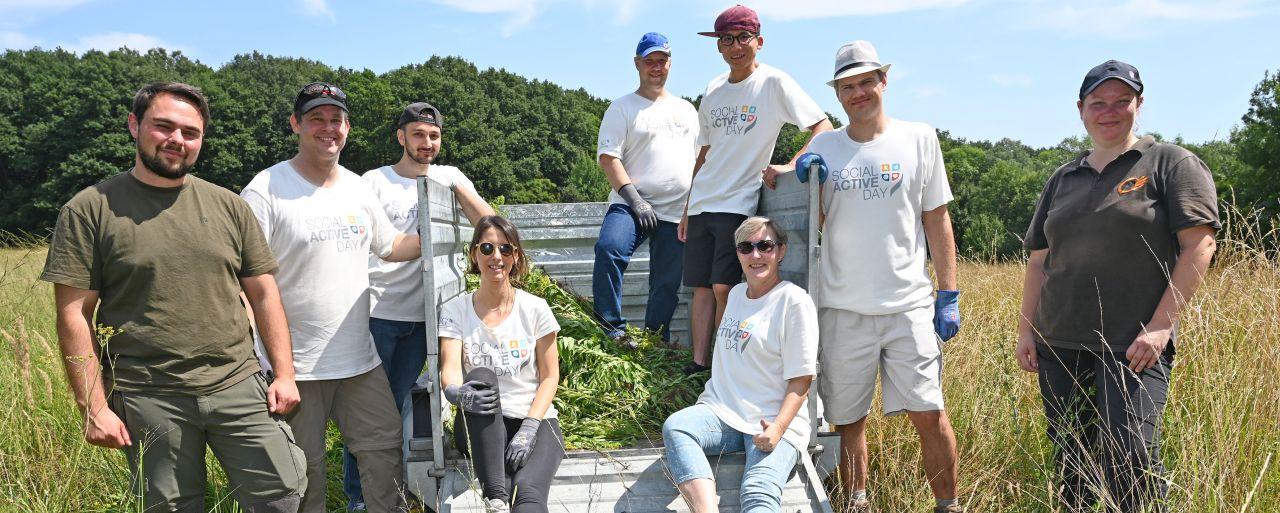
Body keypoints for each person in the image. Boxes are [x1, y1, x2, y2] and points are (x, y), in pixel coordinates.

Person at [41, 82, 306, 512]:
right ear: (134, 125)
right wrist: (93, 407)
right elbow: (74, 315)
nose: (176, 140)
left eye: (190, 132)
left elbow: (264, 294)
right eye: (163, 126)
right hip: (149, 395)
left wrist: (285, 373)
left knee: (281, 495)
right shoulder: (90, 209)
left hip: (238, 383)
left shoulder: (228, 206)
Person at [1016, 60, 1218, 512]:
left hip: (1133, 344)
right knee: (1073, 465)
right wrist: (1027, 329)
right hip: (1060, 342)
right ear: (1081, 110)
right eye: (1098, 103)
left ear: (1138, 105)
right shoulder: (1063, 177)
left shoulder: (1169, 163)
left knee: (1131, 460)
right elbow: (1038, 261)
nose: (1110, 111)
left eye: (1121, 101)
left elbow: (1199, 245)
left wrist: (1162, 325)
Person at [240, 82, 422, 513]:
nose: (328, 128)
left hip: (360, 360)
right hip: (295, 367)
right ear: (295, 124)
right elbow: (246, 283)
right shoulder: (266, 190)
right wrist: (261, 362)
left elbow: (392, 246)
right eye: (316, 119)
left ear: (348, 127)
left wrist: (449, 235)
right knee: (305, 472)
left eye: (335, 120)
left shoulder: (358, 188)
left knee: (384, 452)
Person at [804, 41, 964, 513]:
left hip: (907, 305)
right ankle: (857, 501)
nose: (859, 93)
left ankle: (948, 504)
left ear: (883, 81)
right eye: (848, 87)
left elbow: (936, 219)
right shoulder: (824, 146)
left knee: (929, 413)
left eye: (866, 82)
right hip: (843, 307)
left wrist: (948, 293)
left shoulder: (919, 138)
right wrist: (797, 177)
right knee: (848, 419)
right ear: (837, 94)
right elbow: (802, 214)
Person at [344, 102, 494, 511]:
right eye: (418, 135)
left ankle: (397, 487)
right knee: (374, 410)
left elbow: (490, 223)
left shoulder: (449, 177)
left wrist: (459, 192)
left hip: (428, 317)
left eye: (434, 136)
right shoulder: (374, 181)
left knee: (412, 404)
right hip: (381, 312)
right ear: (401, 137)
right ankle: (360, 496)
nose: (427, 143)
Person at [680, 4, 832, 374]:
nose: (736, 46)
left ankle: (723, 367)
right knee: (699, 288)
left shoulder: (774, 83)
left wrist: (792, 164)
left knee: (722, 287)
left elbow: (822, 126)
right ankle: (699, 364)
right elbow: (703, 153)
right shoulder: (713, 90)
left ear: (758, 41)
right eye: (727, 39)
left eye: (743, 38)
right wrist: (686, 208)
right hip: (702, 201)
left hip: (737, 201)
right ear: (718, 46)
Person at [662, 216, 818, 512]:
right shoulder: (734, 295)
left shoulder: (794, 301)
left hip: (773, 420)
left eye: (765, 246)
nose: (755, 255)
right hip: (725, 413)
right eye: (746, 247)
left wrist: (778, 428)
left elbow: (802, 380)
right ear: (738, 254)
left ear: (781, 251)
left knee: (759, 491)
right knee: (677, 427)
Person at [439, 215, 564, 513]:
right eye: (487, 248)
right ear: (474, 254)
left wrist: (530, 427)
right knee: (481, 376)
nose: (496, 257)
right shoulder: (456, 309)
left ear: (515, 256)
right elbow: (450, 368)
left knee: (530, 497)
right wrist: (456, 392)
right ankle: (495, 499)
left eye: (505, 249)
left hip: (534, 419)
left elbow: (549, 377)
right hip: (479, 421)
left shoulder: (535, 308)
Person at [592, 32, 699, 347]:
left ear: (669, 64)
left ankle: (655, 341)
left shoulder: (687, 111)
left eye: (662, 61)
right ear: (637, 64)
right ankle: (613, 329)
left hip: (676, 210)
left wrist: (689, 209)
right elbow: (608, 159)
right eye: (649, 61)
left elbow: (700, 161)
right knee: (609, 249)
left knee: (666, 284)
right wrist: (636, 202)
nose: (656, 67)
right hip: (631, 205)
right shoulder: (622, 108)